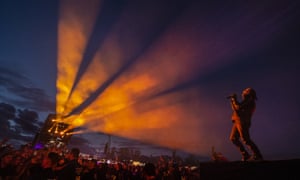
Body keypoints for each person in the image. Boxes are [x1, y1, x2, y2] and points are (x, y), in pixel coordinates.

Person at [228, 87, 263, 161]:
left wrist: (234, 100)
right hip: (238, 121)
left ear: (249, 94)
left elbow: (238, 108)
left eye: (246, 91)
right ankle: (246, 155)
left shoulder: (250, 101)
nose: (243, 92)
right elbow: (236, 109)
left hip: (242, 122)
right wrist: (233, 101)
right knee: (233, 138)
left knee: (245, 139)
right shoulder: (246, 101)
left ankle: (258, 155)